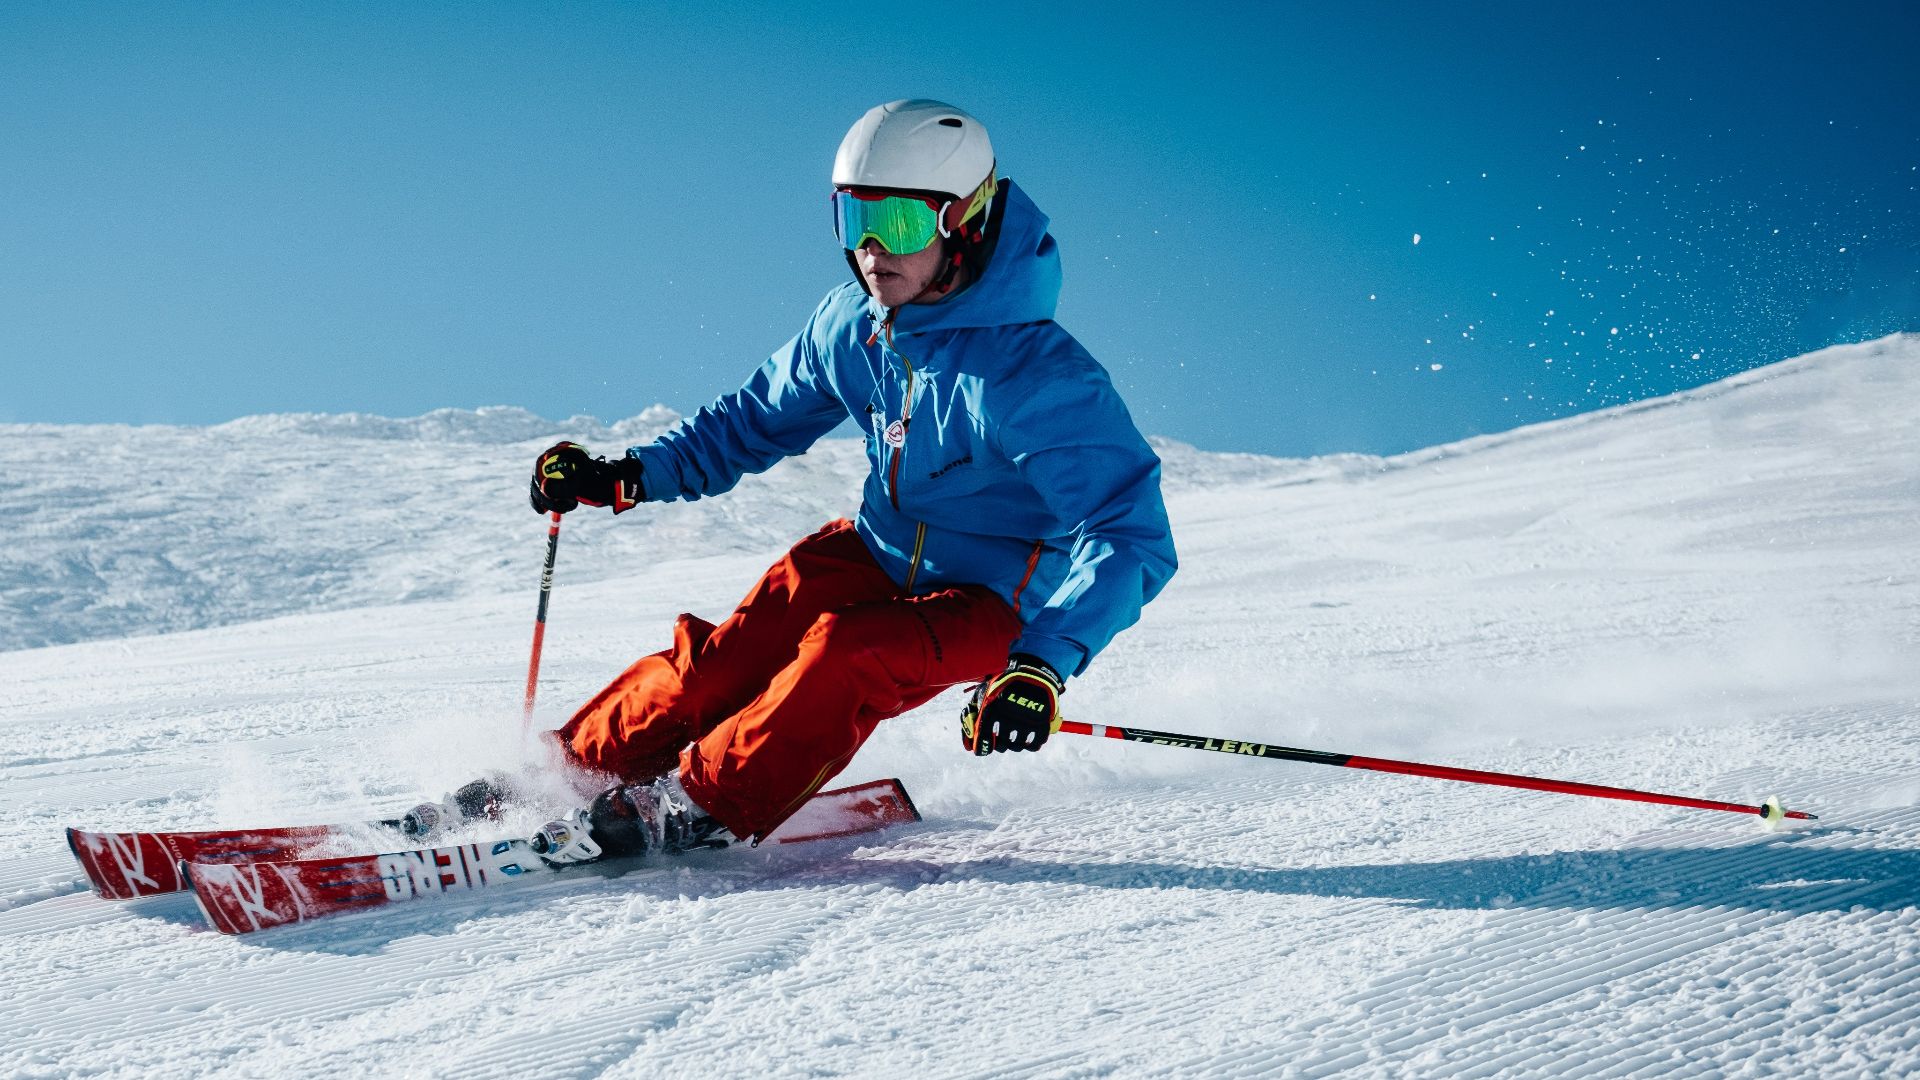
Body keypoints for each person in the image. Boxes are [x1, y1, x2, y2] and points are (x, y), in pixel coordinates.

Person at [519, 99, 1177, 863]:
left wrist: (1042, 664)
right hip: (877, 550)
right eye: (853, 218)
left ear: (963, 220)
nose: (870, 249)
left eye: (896, 222)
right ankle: (567, 771)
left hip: (997, 599)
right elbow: (750, 421)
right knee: (726, 662)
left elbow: (1128, 534)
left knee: (848, 651)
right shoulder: (852, 325)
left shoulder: (1034, 376)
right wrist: (626, 474)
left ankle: (698, 805)